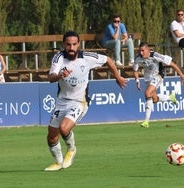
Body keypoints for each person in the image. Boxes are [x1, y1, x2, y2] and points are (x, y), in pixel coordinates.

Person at [44, 30, 128, 171]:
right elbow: (51, 77)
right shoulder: (58, 57)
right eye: (68, 44)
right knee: (51, 137)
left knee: (64, 128)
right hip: (62, 101)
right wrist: (59, 76)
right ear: (63, 45)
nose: (71, 47)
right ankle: (59, 163)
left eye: (74, 44)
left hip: (79, 101)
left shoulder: (87, 58)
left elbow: (108, 60)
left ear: (78, 44)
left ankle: (71, 149)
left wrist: (117, 77)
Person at [133, 42, 184, 128]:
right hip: (148, 79)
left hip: (158, 76)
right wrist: (137, 81)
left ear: (148, 50)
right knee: (154, 100)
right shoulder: (138, 58)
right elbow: (135, 70)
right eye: (140, 51)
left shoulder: (156, 55)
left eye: (142, 51)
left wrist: (182, 76)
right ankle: (170, 97)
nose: (141, 53)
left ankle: (146, 121)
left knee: (147, 93)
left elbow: (172, 64)